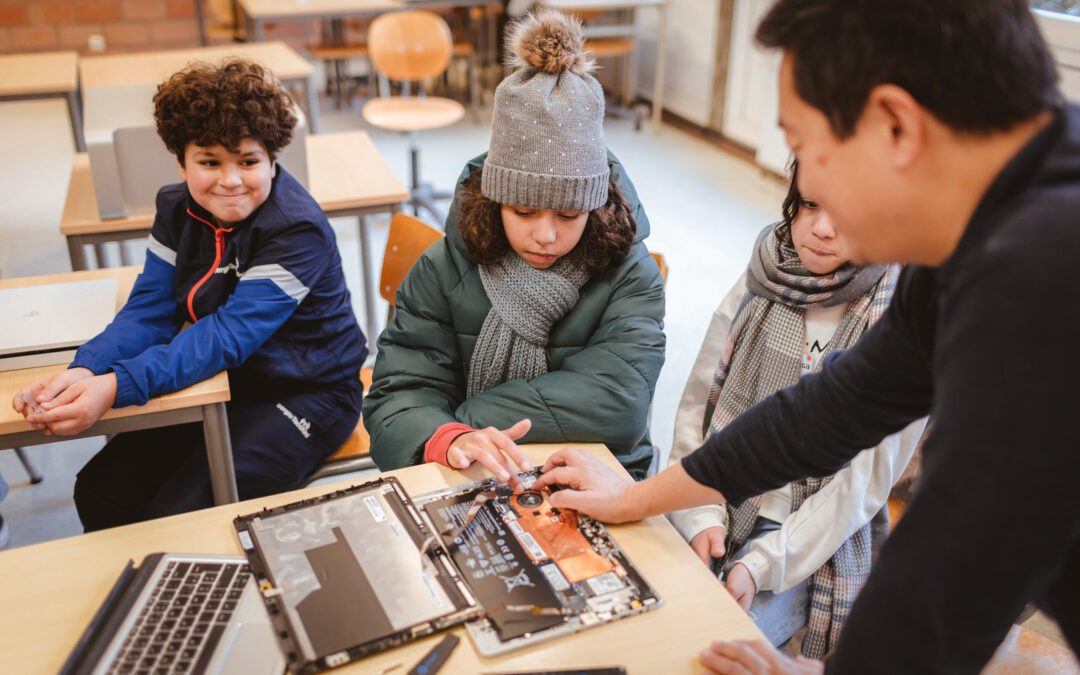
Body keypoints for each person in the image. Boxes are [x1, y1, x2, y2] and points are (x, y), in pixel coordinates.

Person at [534, 1, 1079, 672]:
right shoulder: (976, 230)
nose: (804, 184)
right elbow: (825, 413)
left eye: (804, 147)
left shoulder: (1043, 274)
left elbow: (951, 568)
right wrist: (636, 497)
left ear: (897, 126)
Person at [11, 60, 367, 530]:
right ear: (181, 161)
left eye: (248, 161)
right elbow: (151, 309)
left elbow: (227, 335)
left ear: (272, 158)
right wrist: (85, 367)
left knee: (186, 513)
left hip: (308, 394)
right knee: (102, 489)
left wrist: (117, 386)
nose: (231, 180)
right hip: (226, 382)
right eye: (209, 162)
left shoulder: (296, 230)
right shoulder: (175, 209)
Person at [362, 10, 665, 482]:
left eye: (568, 215)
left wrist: (466, 419)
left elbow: (619, 403)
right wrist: (447, 438)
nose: (545, 235)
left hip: (597, 476)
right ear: (493, 199)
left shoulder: (629, 275)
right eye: (523, 212)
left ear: (596, 205)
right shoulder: (442, 270)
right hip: (468, 471)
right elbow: (399, 393)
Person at [667, 162, 926, 657]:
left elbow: (861, 487)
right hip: (720, 501)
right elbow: (696, 413)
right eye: (810, 204)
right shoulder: (764, 276)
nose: (822, 228)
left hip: (809, 542)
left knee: (712, 647)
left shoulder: (901, 319)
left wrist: (758, 565)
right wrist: (701, 516)